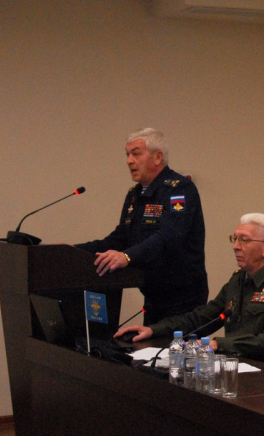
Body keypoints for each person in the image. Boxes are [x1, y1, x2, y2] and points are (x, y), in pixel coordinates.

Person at [115, 213, 264, 368]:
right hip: (233, 366)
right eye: (235, 239)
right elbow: (203, 317)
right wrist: (153, 329)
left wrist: (218, 344)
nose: (235, 246)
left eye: (244, 240)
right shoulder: (239, 278)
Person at [76, 128, 208, 325]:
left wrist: (127, 257)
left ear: (158, 157)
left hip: (183, 298)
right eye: (127, 154)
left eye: (136, 154)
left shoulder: (179, 189)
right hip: (153, 295)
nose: (129, 161)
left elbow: (168, 236)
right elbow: (120, 238)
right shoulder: (135, 194)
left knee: (173, 346)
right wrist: (73, 251)